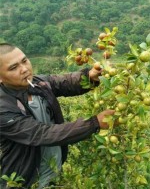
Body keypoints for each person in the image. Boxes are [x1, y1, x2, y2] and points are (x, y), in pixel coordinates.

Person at [0, 43, 116, 188]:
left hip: (53, 174)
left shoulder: (36, 83)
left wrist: (90, 77)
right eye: (13, 67)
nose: (24, 69)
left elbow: (63, 82)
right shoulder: (3, 109)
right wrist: (94, 123)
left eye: (24, 61)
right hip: (25, 182)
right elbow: (42, 134)